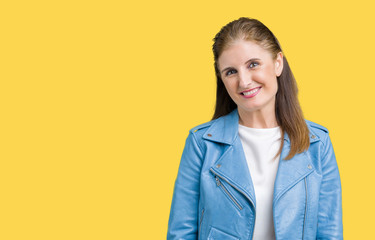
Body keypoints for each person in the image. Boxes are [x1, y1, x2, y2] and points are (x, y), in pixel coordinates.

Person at [167, 17, 343, 240]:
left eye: (253, 64)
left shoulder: (317, 143)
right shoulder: (202, 143)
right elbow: (180, 233)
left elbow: (329, 234)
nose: (244, 81)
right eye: (231, 72)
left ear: (278, 63)